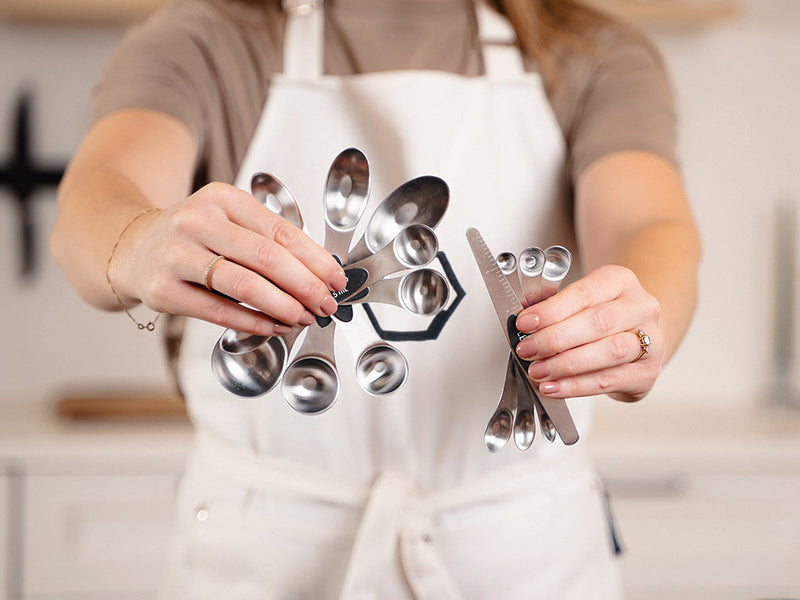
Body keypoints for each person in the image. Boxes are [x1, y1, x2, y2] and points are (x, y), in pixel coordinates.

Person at [50, 0, 701, 597]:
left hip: (526, 559)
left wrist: (640, 318)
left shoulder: (594, 54)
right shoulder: (205, 43)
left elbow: (648, 226)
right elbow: (100, 194)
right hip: (265, 559)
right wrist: (134, 242)